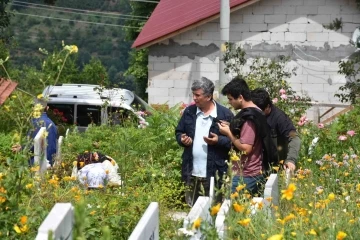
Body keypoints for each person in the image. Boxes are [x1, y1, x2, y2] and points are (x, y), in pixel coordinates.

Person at [175, 77, 234, 206]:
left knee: (213, 209)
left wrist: (218, 141)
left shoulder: (224, 114)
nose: (194, 98)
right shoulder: (189, 112)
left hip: (215, 173)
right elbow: (179, 132)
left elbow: (234, 142)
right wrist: (182, 139)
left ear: (208, 97)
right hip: (191, 171)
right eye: (193, 94)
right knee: (193, 209)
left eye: (197, 95)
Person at [218, 77, 274, 196]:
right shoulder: (257, 112)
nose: (229, 102)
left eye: (231, 99)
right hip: (252, 172)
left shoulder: (250, 118)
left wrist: (228, 133)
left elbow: (246, 148)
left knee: (233, 211)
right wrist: (231, 127)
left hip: (246, 175)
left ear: (240, 97)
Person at [251, 88, 301, 172]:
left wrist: (291, 160)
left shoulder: (280, 118)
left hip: (275, 166)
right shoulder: (251, 113)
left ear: (267, 107)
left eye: (259, 111)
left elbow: (294, 138)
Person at [30, 99, 58, 166]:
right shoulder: (50, 123)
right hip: (43, 164)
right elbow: (51, 148)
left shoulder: (36, 123)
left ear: (33, 108)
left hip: (36, 165)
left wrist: (22, 148)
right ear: (47, 108)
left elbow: (31, 145)